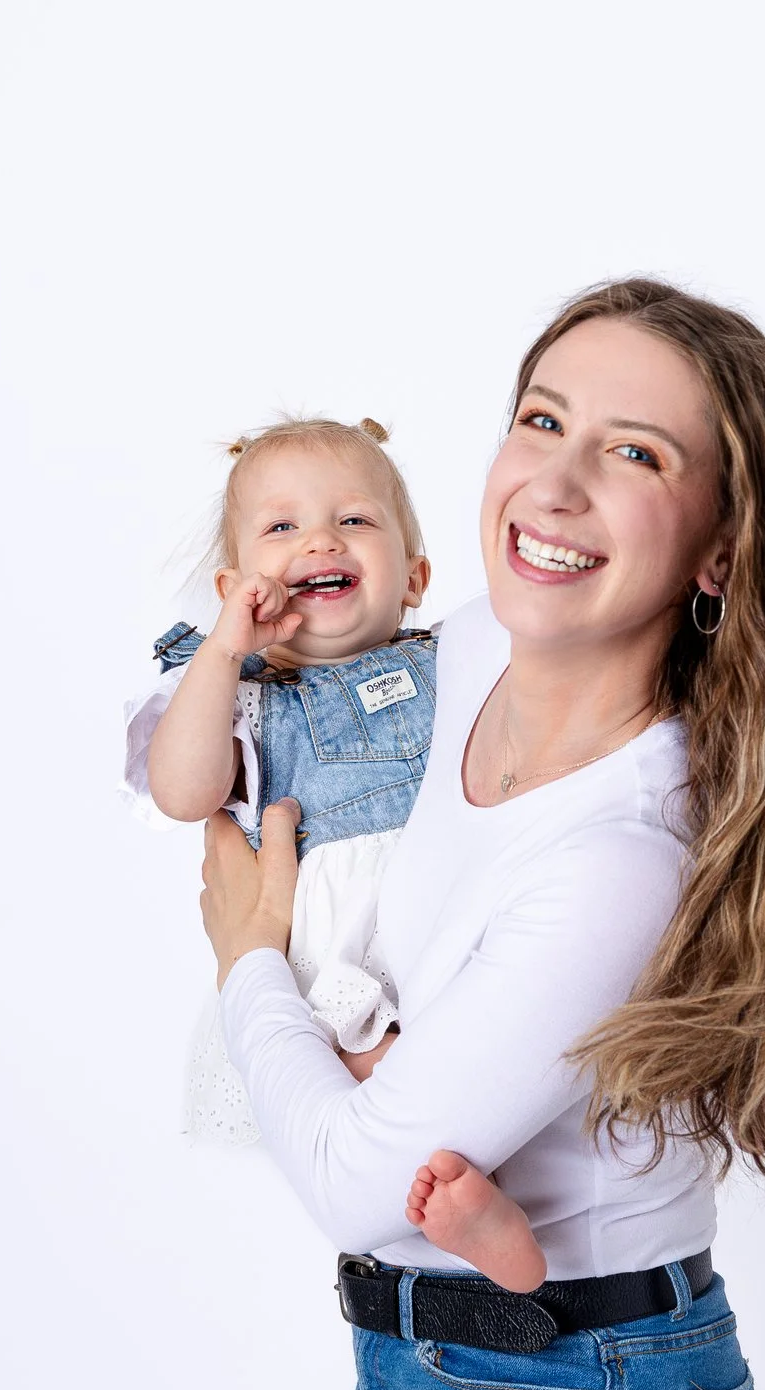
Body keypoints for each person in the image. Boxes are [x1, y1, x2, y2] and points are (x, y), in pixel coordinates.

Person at [197, 277, 765, 1390]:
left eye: (636, 452)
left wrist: (244, 957)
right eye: (542, 419)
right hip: (406, 1377)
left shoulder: (621, 854)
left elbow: (354, 1170)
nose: (555, 482)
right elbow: (252, 728)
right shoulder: (456, 660)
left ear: (716, 549)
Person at [123, 414, 555, 1291]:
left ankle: (755, 1080)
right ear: (233, 585)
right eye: (281, 527)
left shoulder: (459, 661)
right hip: (338, 957)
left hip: (458, 917)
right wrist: (222, 651)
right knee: (388, 1070)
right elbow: (183, 790)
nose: (319, 537)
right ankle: (477, 1213)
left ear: (415, 578)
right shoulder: (240, 695)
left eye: (354, 520)